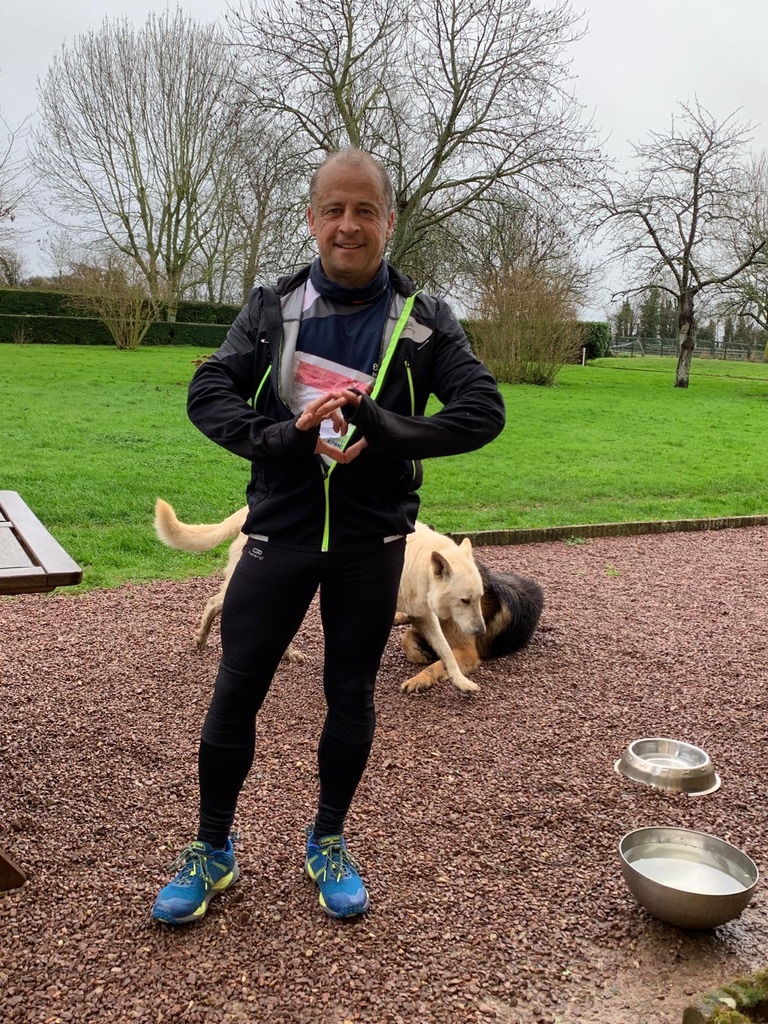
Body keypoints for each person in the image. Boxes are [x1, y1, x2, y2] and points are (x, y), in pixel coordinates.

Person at [151, 148, 506, 924]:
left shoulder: (424, 320)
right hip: (278, 532)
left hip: (369, 544)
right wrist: (285, 439)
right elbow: (208, 391)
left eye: (365, 210)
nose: (349, 225)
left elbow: (483, 412)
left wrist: (386, 428)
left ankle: (329, 840)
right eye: (334, 210)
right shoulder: (273, 307)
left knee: (350, 695)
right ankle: (212, 848)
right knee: (236, 689)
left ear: (389, 220)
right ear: (312, 219)